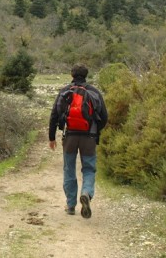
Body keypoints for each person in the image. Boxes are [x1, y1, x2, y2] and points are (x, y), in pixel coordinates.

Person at [48, 64, 108, 218]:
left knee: (69, 169)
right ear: (86, 75)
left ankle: (70, 205)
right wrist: (95, 131)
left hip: (70, 137)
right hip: (89, 137)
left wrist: (52, 137)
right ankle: (86, 193)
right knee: (88, 168)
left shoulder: (65, 91)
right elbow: (104, 117)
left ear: (71, 74)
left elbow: (54, 115)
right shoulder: (93, 92)